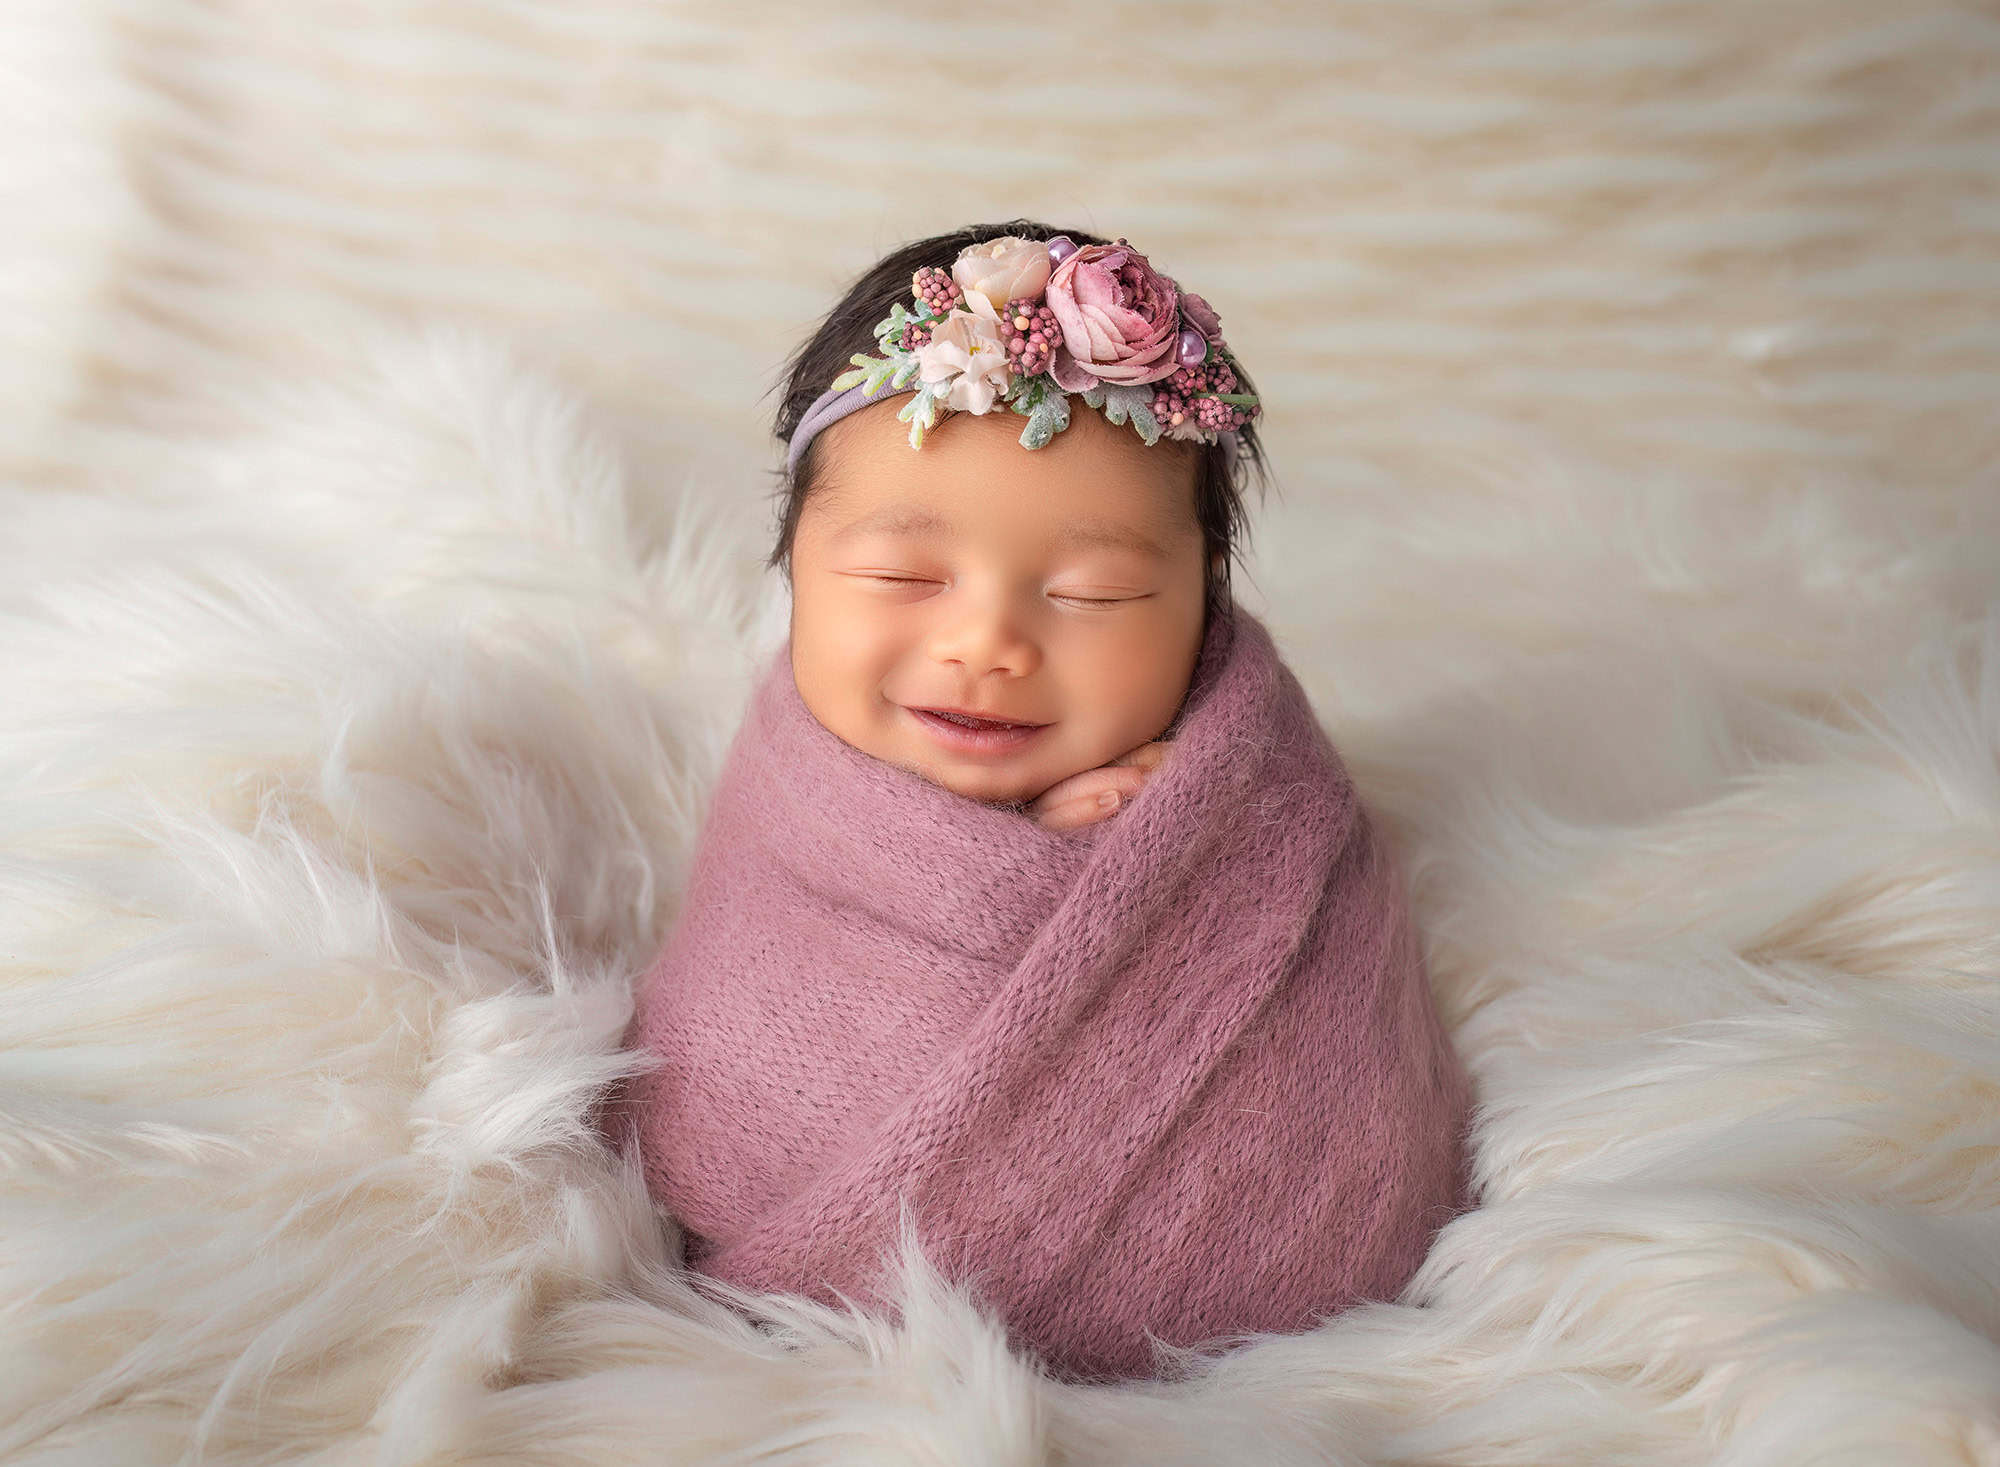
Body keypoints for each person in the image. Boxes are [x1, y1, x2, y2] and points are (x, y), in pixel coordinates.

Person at [614, 220, 1476, 1386]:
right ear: (792, 564)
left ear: (1202, 606)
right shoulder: (788, 805)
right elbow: (722, 1049)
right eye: (901, 578)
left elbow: (1345, 1111)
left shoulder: (1257, 801)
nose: (986, 645)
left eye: (1095, 592)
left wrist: (1165, 852)